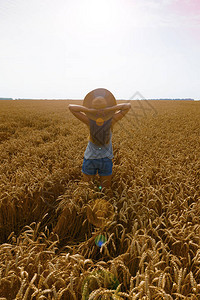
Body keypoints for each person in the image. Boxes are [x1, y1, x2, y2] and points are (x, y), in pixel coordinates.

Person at [68, 88, 131, 192]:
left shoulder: (89, 121)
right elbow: (127, 107)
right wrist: (109, 109)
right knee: (106, 190)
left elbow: (71, 107)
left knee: (87, 190)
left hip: (90, 159)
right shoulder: (111, 121)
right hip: (106, 160)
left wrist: (90, 110)